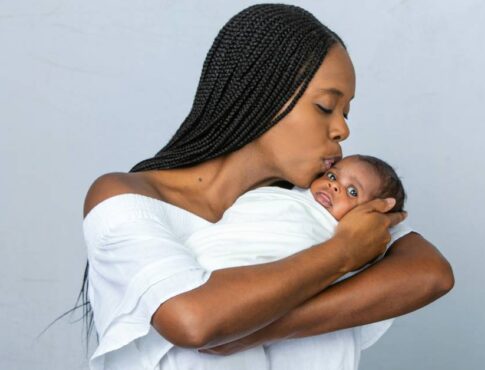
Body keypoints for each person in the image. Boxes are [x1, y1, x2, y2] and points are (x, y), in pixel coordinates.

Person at [81, 4, 454, 370]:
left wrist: (262, 328)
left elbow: (429, 272)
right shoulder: (127, 198)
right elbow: (193, 320)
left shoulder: (315, 202)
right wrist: (342, 252)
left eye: (346, 113)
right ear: (260, 95)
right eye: (326, 107)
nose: (343, 130)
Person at [183, 154, 407, 370]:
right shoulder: (285, 197)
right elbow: (248, 223)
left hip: (294, 310)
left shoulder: (360, 238)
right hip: (226, 282)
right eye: (332, 176)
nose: (334, 186)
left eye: (352, 191)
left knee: (332, 337)